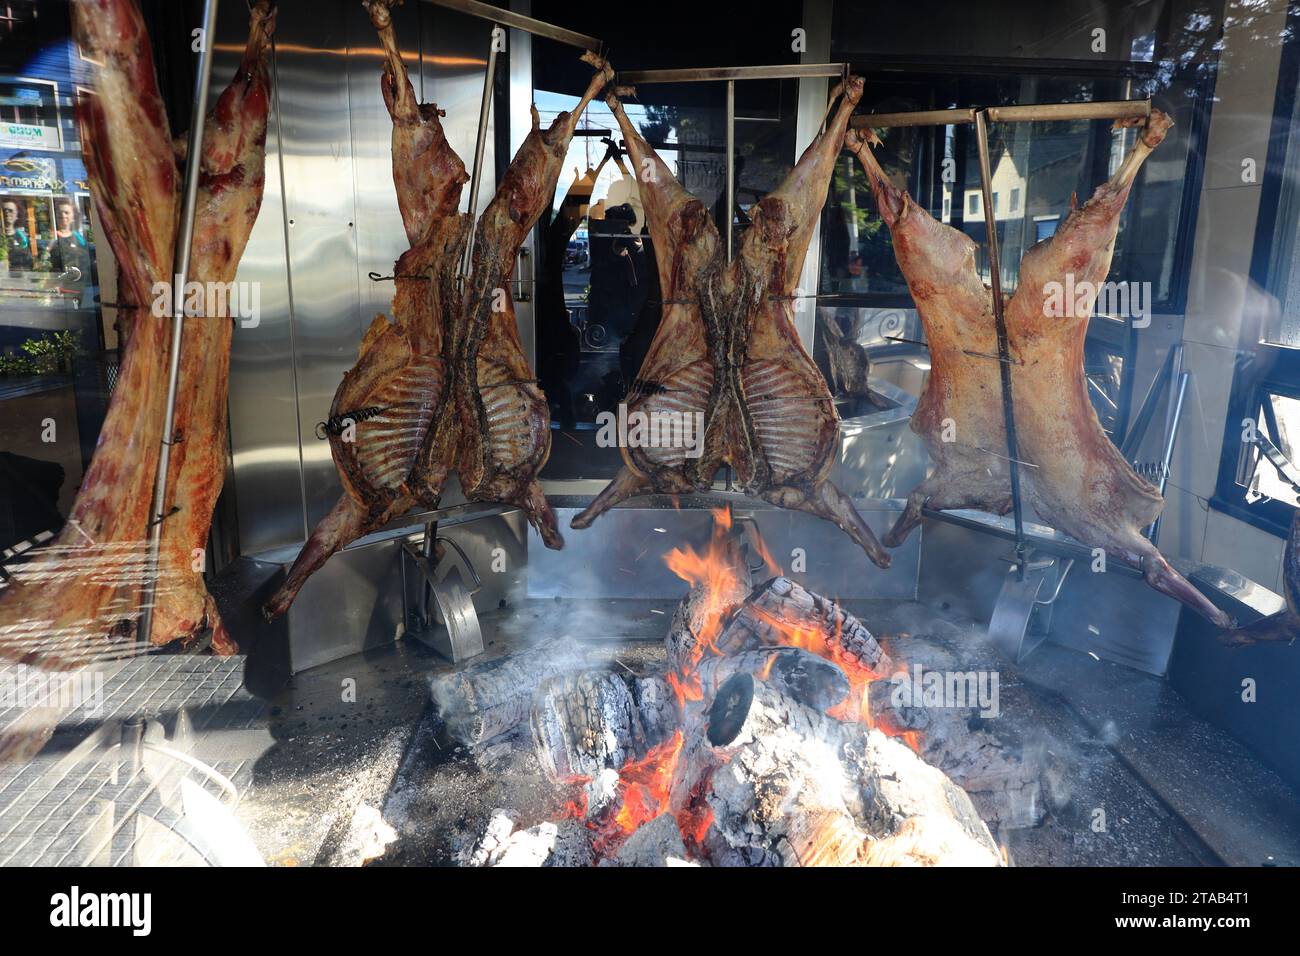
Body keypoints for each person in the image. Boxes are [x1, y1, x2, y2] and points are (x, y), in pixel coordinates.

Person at [40, 197, 91, 283]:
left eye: (66, 212)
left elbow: (86, 261)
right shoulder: (50, 236)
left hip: (77, 283)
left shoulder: (79, 238)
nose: (63, 215)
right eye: (60, 213)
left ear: (73, 216)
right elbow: (43, 261)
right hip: (56, 283)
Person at [2, 198, 34, 270]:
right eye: (4, 210)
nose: (7, 213)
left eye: (10, 211)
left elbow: (28, 261)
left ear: (17, 215)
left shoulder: (23, 237)